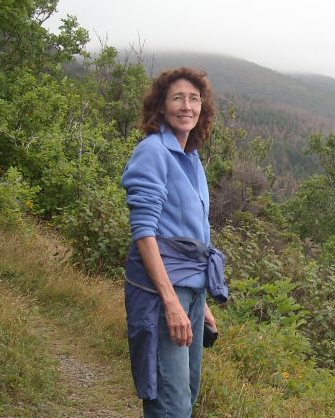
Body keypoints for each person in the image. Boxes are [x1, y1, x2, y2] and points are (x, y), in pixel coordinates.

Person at [122, 67, 227, 418]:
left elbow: (195, 234)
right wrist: (171, 302)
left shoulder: (192, 158)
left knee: (188, 391)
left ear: (203, 108)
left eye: (194, 99)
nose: (187, 106)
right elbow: (144, 232)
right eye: (178, 98)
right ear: (161, 106)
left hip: (191, 290)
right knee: (170, 403)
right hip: (162, 290)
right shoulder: (154, 151)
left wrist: (202, 301)